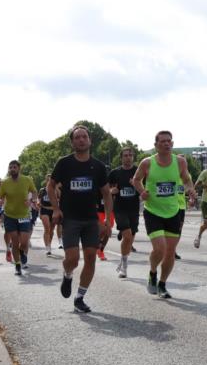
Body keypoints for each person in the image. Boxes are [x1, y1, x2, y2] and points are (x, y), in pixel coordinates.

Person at [48, 125, 112, 313]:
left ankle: (80, 297)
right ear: (72, 142)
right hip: (71, 219)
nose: (81, 140)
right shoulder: (64, 163)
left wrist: (107, 220)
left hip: (91, 219)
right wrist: (56, 209)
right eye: (77, 137)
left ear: (90, 141)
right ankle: (67, 275)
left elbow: (107, 193)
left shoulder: (98, 166)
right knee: (73, 259)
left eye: (84, 137)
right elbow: (51, 187)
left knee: (91, 258)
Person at [132, 130, 196, 299]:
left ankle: (162, 284)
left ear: (172, 144)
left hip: (173, 211)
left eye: (169, 141)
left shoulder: (180, 162)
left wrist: (190, 189)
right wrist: (142, 191)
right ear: (156, 145)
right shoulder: (147, 163)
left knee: (170, 252)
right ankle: (152, 272)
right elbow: (136, 179)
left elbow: (187, 179)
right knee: (159, 249)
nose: (166, 144)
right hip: (153, 210)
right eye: (162, 141)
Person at [0, 160, 38, 276]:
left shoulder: (27, 180)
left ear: (19, 168)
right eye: (10, 167)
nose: (12, 169)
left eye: (14, 167)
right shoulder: (5, 183)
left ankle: (22, 252)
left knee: (25, 242)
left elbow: (34, 192)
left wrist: (31, 200)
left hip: (24, 215)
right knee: (15, 242)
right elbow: (0, 196)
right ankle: (17, 265)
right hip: (10, 215)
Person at [108, 147, 140, 278]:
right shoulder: (115, 173)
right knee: (127, 236)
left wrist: (136, 185)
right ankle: (125, 267)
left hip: (133, 208)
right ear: (121, 158)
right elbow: (106, 189)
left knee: (130, 238)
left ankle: (123, 260)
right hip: (120, 208)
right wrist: (111, 191)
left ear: (133, 157)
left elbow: (146, 187)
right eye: (125, 155)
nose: (128, 157)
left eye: (130, 155)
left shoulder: (138, 172)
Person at [37, 174, 58, 255]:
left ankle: (49, 244)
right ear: (46, 180)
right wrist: (38, 203)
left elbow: (60, 199)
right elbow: (38, 199)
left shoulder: (55, 190)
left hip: (53, 211)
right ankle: (47, 248)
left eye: (51, 179)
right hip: (44, 210)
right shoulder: (42, 190)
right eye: (48, 179)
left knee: (51, 230)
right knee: (47, 228)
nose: (49, 181)